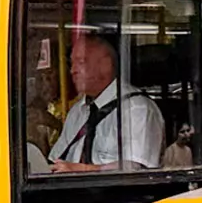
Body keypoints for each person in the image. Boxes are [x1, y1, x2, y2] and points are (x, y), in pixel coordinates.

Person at [47, 32, 165, 172]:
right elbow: (58, 157)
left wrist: (82, 169)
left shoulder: (136, 109)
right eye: (71, 64)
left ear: (106, 65)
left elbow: (134, 168)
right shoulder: (78, 110)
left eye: (81, 62)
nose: (73, 70)